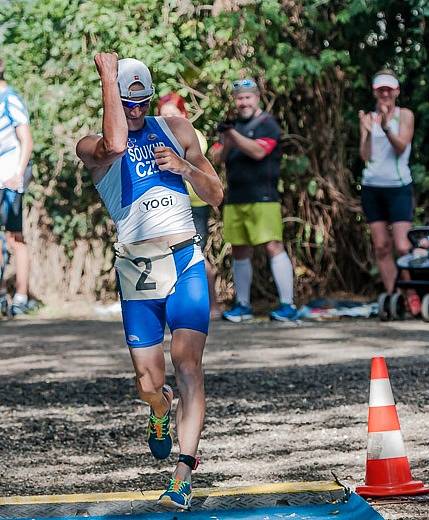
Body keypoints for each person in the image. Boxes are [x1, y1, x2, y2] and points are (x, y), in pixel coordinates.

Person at [76, 53, 223, 510]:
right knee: (148, 381)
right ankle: (159, 409)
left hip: (184, 260)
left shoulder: (177, 129)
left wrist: (185, 169)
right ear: (113, 99)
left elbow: (217, 195)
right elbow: (117, 145)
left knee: (188, 363)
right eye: (127, 102)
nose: (136, 112)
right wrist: (106, 74)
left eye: (142, 102)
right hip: (137, 271)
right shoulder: (91, 145)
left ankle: (183, 475)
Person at [211, 78, 297, 322]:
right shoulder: (233, 126)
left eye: (248, 97)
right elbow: (217, 157)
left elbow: (259, 151)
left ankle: (287, 305)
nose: (243, 102)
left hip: (264, 197)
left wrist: (232, 135)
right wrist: (228, 138)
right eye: (239, 98)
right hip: (236, 197)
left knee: (272, 245)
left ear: (257, 98)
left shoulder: (267, 124)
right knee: (239, 249)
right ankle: (243, 305)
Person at [156, 93, 222, 319]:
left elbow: (196, 165)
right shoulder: (157, 136)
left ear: (184, 114)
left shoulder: (194, 136)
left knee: (196, 256)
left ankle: (213, 306)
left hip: (194, 205)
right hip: (170, 207)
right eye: (164, 116)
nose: (169, 119)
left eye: (173, 114)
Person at [359, 69, 419, 314]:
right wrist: (368, 131)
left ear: (396, 91)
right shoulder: (368, 117)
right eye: (380, 89)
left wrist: (385, 127)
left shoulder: (405, 115)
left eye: (388, 89)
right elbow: (365, 156)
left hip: (398, 187)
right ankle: (394, 297)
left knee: (403, 247)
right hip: (373, 187)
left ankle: (412, 292)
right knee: (382, 246)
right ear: (375, 92)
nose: (384, 93)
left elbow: (401, 146)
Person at [0, 57, 33, 317]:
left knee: (15, 237)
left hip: (11, 174)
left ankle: (21, 295)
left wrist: (18, 174)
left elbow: (26, 139)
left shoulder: (10, 98)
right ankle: (1, 294)